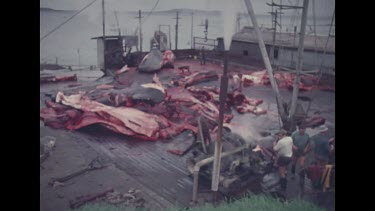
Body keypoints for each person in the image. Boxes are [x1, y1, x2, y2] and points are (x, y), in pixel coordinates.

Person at [273, 129, 293, 194]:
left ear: (283, 135)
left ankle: (283, 188)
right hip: (289, 157)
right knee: (285, 170)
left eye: (279, 135)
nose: (278, 136)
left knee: (281, 173)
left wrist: (274, 143)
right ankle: (285, 177)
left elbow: (275, 149)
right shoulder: (290, 138)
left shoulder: (281, 141)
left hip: (283, 158)